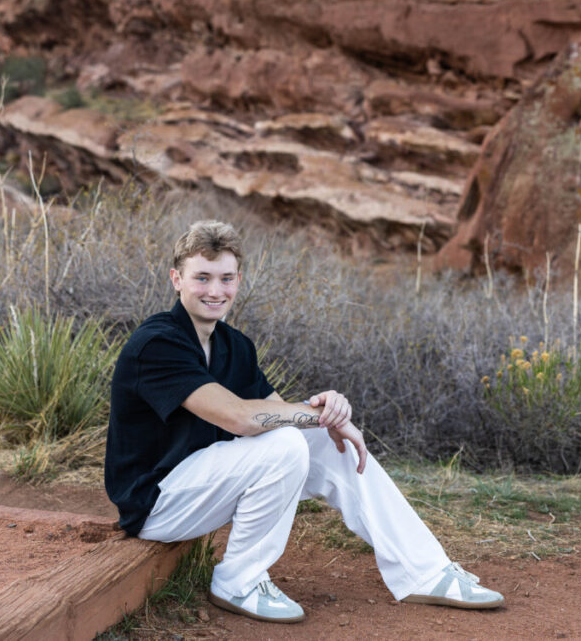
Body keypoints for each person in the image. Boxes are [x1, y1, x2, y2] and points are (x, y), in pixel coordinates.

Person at [104, 220, 504, 623]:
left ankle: (426, 572)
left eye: (225, 278)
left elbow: (281, 414)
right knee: (287, 443)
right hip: (157, 504)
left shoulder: (234, 346)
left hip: (205, 487)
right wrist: (316, 415)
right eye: (202, 277)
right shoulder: (158, 342)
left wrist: (330, 414)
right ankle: (239, 582)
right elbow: (240, 418)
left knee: (326, 441)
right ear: (177, 279)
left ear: (238, 281)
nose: (215, 290)